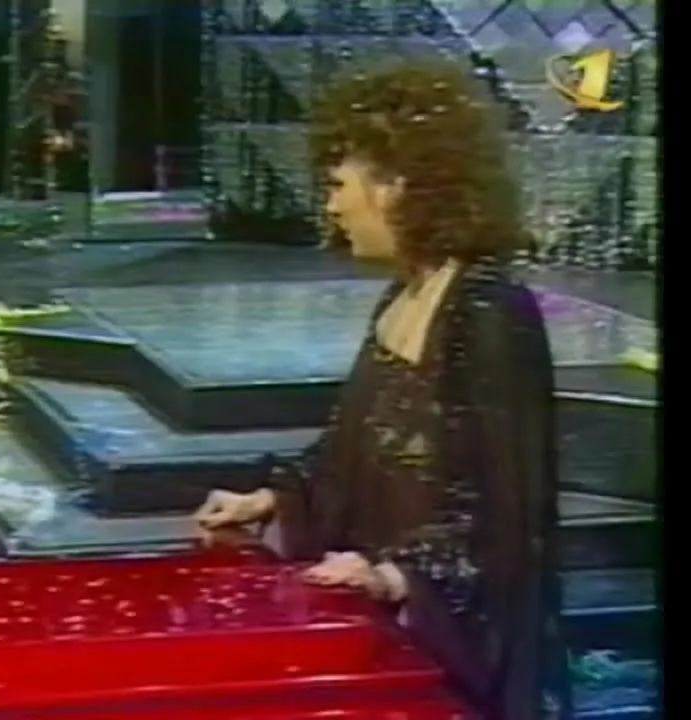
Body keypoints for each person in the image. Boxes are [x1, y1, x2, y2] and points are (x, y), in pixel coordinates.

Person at [193, 63, 569, 719]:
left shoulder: (487, 312)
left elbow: (503, 510)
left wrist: (400, 577)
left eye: (339, 185)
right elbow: (354, 447)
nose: (332, 206)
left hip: (446, 651)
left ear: (396, 185)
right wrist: (271, 499)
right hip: (382, 618)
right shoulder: (403, 296)